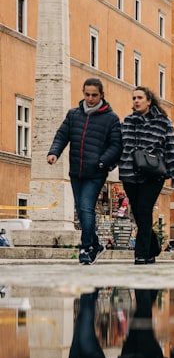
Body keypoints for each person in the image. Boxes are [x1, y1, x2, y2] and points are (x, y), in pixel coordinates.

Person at [47, 77, 123, 265]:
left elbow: (116, 145)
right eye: (87, 94)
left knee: (86, 208)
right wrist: (54, 152)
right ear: (83, 93)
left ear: (102, 95)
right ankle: (96, 246)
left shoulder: (111, 118)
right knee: (81, 212)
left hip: (96, 173)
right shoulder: (74, 115)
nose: (90, 99)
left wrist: (102, 162)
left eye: (94, 95)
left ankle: (86, 248)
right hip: (76, 172)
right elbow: (62, 135)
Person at [119, 86, 174, 265]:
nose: (136, 101)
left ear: (149, 100)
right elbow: (117, 147)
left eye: (140, 98)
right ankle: (153, 247)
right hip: (129, 173)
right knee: (140, 215)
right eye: (134, 98)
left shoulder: (163, 122)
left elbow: (172, 149)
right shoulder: (126, 122)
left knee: (144, 210)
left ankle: (140, 254)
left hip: (153, 174)